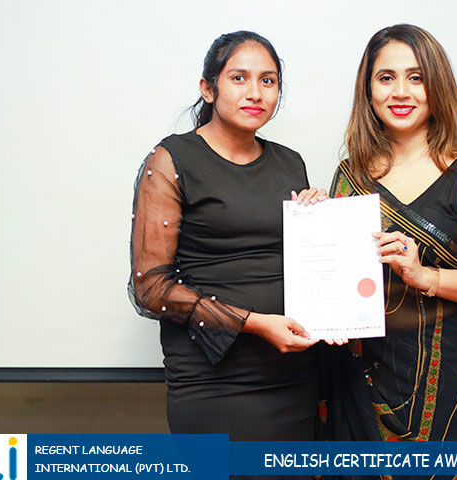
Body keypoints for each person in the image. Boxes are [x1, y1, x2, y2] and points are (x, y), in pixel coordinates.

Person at [320, 24, 457, 478]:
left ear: (437, 86)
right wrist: (313, 214)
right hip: (358, 373)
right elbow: (337, 276)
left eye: (416, 77)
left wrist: (425, 275)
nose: (400, 91)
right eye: (386, 78)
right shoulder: (349, 175)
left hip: (443, 375)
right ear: (368, 90)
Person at [127, 31, 326, 460]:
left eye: (268, 81)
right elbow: (151, 289)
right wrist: (255, 323)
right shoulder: (171, 159)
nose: (255, 92)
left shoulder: (290, 162)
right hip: (213, 379)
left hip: (293, 374)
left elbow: (300, 263)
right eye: (239, 78)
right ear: (208, 88)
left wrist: (322, 220)